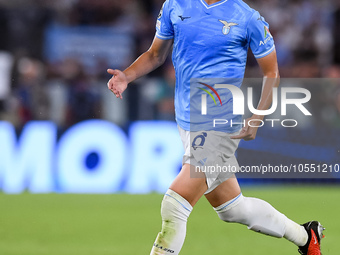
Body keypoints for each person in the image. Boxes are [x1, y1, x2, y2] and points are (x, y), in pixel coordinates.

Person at [107, 0, 324, 254]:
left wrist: (257, 118)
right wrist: (127, 75)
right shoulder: (174, 6)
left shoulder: (247, 17)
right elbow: (155, 55)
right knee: (232, 209)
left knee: (174, 205)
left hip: (220, 123)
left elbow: (271, 73)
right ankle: (306, 236)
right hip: (187, 121)